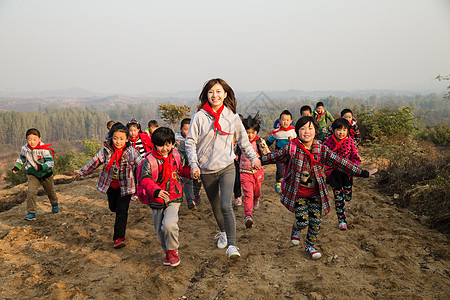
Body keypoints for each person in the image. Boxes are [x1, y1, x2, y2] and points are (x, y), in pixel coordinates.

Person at [260, 116, 377, 260]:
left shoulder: (321, 149)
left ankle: (310, 246)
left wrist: (363, 173)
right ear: (297, 131)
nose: (306, 132)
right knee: (303, 221)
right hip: (298, 194)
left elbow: (341, 163)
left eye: (310, 128)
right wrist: (257, 162)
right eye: (302, 128)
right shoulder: (291, 148)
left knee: (316, 221)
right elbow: (274, 157)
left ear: (316, 131)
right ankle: (296, 227)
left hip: (316, 193)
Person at [185, 78, 262, 259]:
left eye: (219, 91)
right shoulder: (199, 117)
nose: (215, 95)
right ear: (206, 95)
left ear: (225, 94)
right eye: (211, 92)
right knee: (216, 205)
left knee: (226, 205)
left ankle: (233, 246)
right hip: (206, 169)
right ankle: (223, 232)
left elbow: (244, 141)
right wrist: (194, 164)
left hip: (227, 166)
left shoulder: (232, 117)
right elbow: (190, 142)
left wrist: (253, 158)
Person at [73, 123, 143, 249]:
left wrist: (150, 179)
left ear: (127, 139)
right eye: (115, 138)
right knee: (113, 207)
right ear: (111, 138)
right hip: (111, 185)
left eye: (121, 139)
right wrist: (82, 172)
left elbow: (141, 165)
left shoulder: (131, 151)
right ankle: (118, 221)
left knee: (122, 212)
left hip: (126, 187)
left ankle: (118, 238)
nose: (118, 141)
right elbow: (95, 161)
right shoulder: (106, 149)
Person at [140, 127, 190, 267]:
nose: (165, 148)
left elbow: (182, 170)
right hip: (156, 199)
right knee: (160, 230)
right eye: (161, 145)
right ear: (154, 144)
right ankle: (167, 252)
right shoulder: (149, 160)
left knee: (169, 225)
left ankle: (173, 251)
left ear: (172, 143)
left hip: (174, 196)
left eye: (168, 144)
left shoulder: (177, 156)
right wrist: (155, 191)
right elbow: (145, 178)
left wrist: (191, 172)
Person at [323, 118, 362, 230]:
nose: (341, 132)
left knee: (348, 196)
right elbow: (322, 153)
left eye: (344, 130)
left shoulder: (350, 142)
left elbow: (355, 156)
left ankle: (346, 196)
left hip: (347, 173)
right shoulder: (329, 142)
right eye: (339, 129)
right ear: (334, 130)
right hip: (334, 173)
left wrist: (355, 166)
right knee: (338, 198)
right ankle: (342, 221)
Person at [12, 128, 59, 220]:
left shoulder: (44, 150)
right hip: (33, 174)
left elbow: (51, 163)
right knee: (31, 192)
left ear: (39, 139)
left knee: (50, 192)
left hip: (46, 174)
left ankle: (54, 204)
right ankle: (31, 212)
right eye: (29, 139)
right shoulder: (25, 149)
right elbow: (21, 159)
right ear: (26, 140)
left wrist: (42, 167)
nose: (32, 142)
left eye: (34, 139)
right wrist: (17, 167)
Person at [240, 113, 270, 228]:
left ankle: (256, 200)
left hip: (258, 173)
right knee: (248, 195)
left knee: (257, 192)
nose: (250, 135)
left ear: (257, 132)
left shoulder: (260, 141)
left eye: (253, 132)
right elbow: (233, 153)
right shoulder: (240, 142)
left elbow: (267, 154)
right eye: (247, 132)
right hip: (244, 172)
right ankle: (248, 215)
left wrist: (263, 150)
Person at [266, 110, 297, 193]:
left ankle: (287, 185)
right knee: (280, 171)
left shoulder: (293, 132)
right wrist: (262, 148)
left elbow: (297, 143)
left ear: (291, 121)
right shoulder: (277, 132)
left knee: (290, 170)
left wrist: (292, 141)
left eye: (287, 120)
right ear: (280, 121)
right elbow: (269, 142)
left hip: (290, 155)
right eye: (283, 120)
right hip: (279, 155)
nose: (285, 122)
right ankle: (278, 181)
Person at [175, 118, 202, 210]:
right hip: (183, 164)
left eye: (189, 129)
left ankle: (196, 193)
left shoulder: (197, 137)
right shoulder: (176, 137)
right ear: (181, 129)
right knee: (187, 181)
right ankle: (190, 200)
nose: (187, 132)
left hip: (195, 162)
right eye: (185, 129)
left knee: (197, 180)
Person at [233, 114, 244, 207]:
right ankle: (237, 196)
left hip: (242, 161)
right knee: (235, 180)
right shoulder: (228, 133)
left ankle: (239, 196)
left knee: (239, 179)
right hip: (230, 160)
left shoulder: (244, 135)